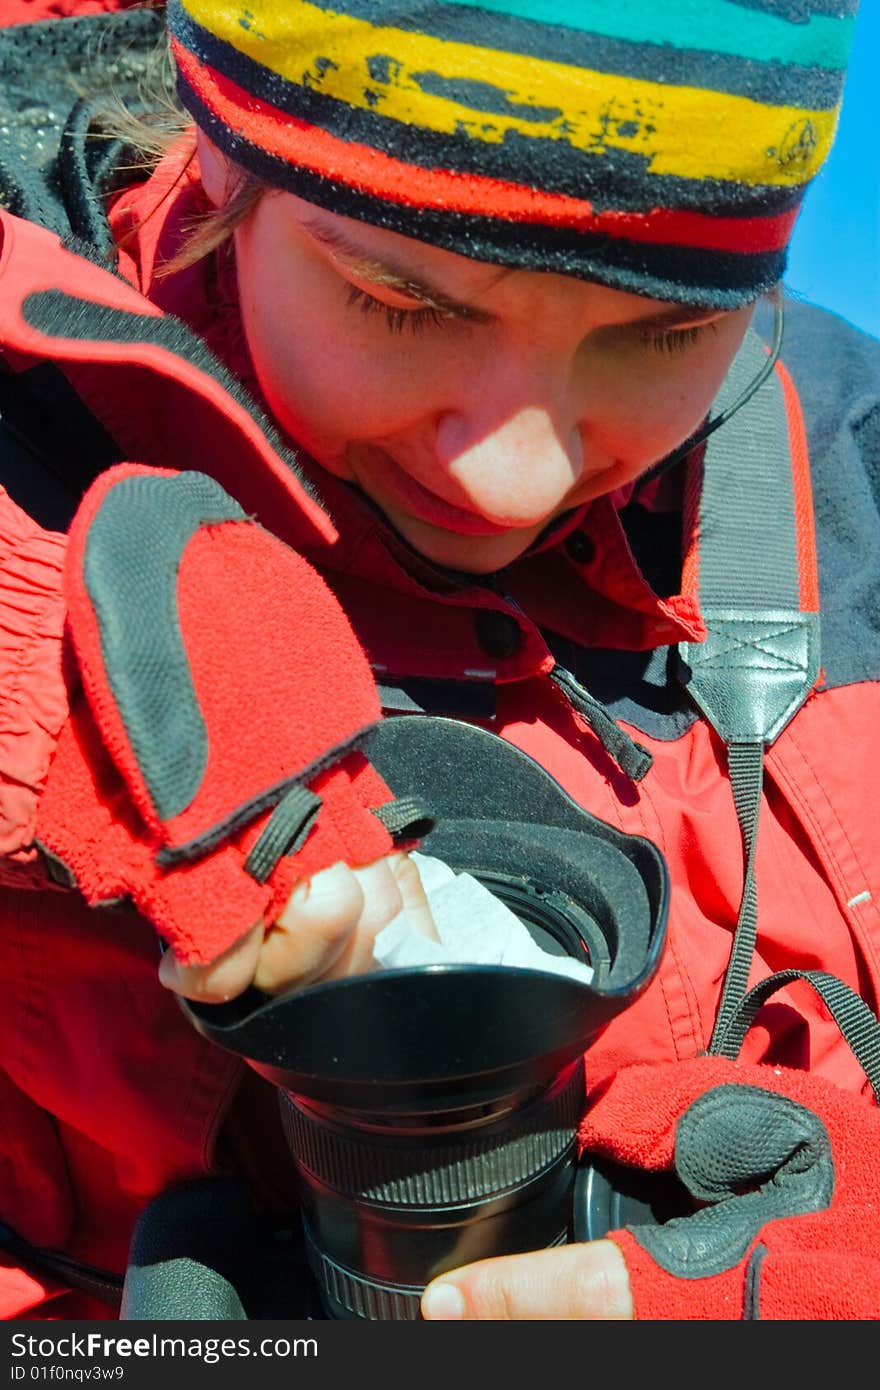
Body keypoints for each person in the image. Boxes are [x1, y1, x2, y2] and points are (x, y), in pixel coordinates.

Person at [0, 0, 878, 1321]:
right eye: (399, 295)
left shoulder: (849, 459)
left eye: (660, 333)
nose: (511, 471)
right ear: (224, 155)